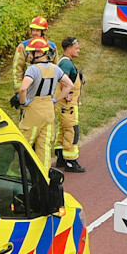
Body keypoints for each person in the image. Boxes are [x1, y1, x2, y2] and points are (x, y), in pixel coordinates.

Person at [15, 37, 62, 161]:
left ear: (40, 53)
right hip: (49, 110)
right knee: (44, 149)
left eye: (31, 53)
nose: (29, 56)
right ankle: (44, 177)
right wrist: (56, 99)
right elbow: (69, 85)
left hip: (34, 111)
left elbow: (23, 89)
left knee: (24, 144)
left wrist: (23, 102)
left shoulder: (33, 69)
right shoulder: (55, 68)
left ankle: (15, 174)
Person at [52, 36, 85, 172]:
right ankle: (71, 161)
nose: (78, 50)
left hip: (63, 103)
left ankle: (60, 157)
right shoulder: (66, 64)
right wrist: (68, 94)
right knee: (72, 130)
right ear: (68, 49)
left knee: (63, 129)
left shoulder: (64, 61)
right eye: (76, 48)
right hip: (68, 104)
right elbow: (63, 80)